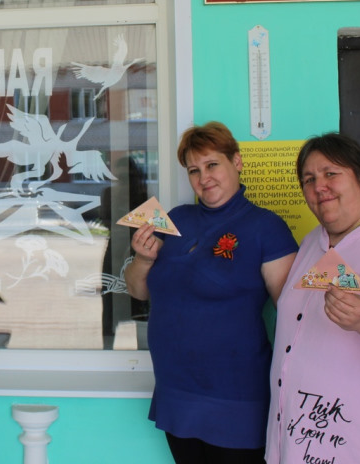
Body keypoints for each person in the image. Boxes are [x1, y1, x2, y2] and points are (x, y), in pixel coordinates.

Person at [124, 121, 297, 464]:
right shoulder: (175, 220)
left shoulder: (266, 227)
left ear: (237, 161)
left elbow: (294, 312)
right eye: (194, 170)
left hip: (236, 397)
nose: (204, 178)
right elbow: (137, 291)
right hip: (176, 389)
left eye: (212, 164)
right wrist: (142, 259)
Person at [266, 133, 360, 463]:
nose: (319, 186)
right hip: (299, 442)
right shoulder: (313, 242)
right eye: (309, 179)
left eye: (330, 174)